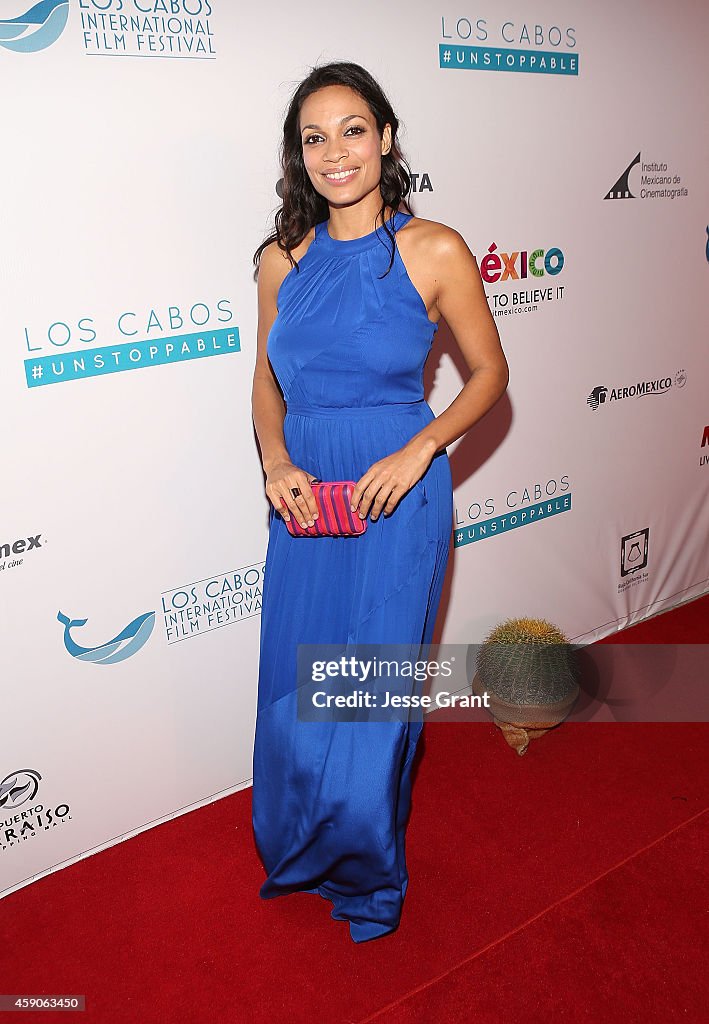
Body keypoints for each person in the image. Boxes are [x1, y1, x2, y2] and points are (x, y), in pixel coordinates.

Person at [250, 61, 508, 943]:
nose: (335, 152)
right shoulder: (279, 259)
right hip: (306, 495)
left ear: (386, 137)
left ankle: (364, 867)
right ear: (299, 155)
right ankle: (300, 841)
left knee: (368, 693)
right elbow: (264, 382)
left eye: (352, 129)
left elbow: (489, 376)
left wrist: (423, 444)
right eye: (314, 137)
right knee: (299, 678)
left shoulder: (432, 248)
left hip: (398, 488)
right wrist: (275, 460)